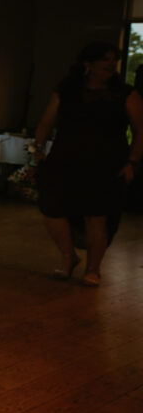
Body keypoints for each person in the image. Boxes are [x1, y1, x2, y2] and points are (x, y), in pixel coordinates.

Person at [34, 41, 143, 286]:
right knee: (52, 209)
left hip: (105, 163)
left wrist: (132, 162)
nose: (110, 64)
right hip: (64, 159)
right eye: (105, 59)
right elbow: (46, 121)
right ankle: (68, 256)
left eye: (114, 60)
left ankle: (93, 269)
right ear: (88, 63)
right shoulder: (67, 90)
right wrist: (37, 149)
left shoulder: (125, 93)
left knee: (97, 216)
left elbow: (140, 130)